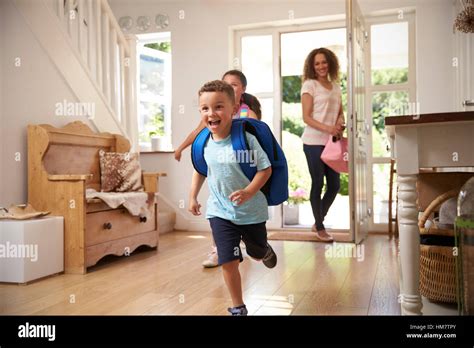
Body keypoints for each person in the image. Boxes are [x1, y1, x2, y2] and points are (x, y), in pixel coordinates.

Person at [188, 80, 277, 315]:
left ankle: (263, 250)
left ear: (233, 109)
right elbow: (200, 169)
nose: (211, 113)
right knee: (228, 259)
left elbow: (265, 169)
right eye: (205, 108)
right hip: (219, 211)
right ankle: (238, 307)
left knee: (255, 251)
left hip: (251, 212)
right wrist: (193, 197)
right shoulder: (203, 142)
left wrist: (249, 191)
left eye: (218, 107)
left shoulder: (245, 140)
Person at [175, 70, 262, 268]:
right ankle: (220, 251)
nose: (229, 87)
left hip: (244, 178)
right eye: (225, 83)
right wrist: (181, 147)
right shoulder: (212, 115)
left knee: (248, 228)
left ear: (242, 89)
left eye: (234, 84)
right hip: (220, 181)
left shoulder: (249, 114)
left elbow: (258, 145)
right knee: (219, 215)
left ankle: (255, 246)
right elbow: (198, 134)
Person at [301, 48, 345, 242]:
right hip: (313, 142)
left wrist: (340, 124)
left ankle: (319, 219)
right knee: (318, 182)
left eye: (324, 62)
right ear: (312, 66)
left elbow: (340, 112)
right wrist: (329, 128)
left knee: (334, 185)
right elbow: (306, 117)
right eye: (317, 63)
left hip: (331, 143)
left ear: (330, 64)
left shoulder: (336, 86)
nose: (321, 66)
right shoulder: (309, 85)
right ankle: (320, 227)